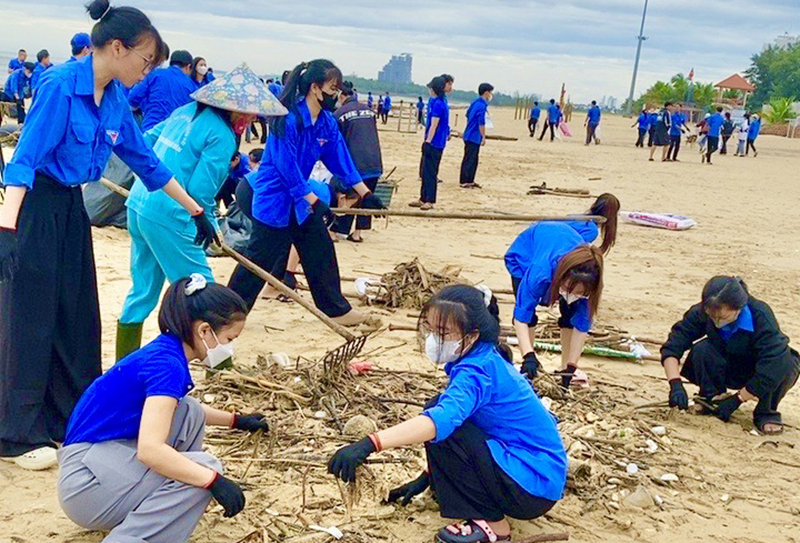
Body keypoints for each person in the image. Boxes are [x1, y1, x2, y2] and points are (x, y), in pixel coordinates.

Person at [0, 0, 219, 471]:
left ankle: (68, 419)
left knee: (77, 314)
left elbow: (147, 162)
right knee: (30, 317)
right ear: (117, 47)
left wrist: (197, 210)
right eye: (144, 60)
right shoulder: (60, 86)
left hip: (72, 210)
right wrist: (7, 227)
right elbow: (23, 159)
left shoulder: (115, 97)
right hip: (35, 207)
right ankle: (15, 434)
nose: (146, 72)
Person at [327, 285, 567, 543]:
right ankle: (464, 497)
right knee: (440, 409)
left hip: (532, 484)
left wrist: (370, 444)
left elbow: (440, 422)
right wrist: (428, 477)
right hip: (534, 474)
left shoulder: (478, 371)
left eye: (443, 333)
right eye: (430, 329)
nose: (434, 339)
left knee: (446, 426)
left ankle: (494, 527)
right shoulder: (486, 357)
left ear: (472, 336)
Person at [59, 276, 268, 543]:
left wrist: (237, 421)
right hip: (87, 484)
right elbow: (150, 450)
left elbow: (177, 410)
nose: (229, 347)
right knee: (203, 469)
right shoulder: (167, 367)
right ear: (205, 331)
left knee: (188, 412)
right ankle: (132, 537)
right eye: (229, 338)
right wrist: (212, 481)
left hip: (93, 466)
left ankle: (152, 506)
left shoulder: (165, 351)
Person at [117, 65, 277, 359]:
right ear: (234, 109)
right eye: (250, 112)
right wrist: (212, 228)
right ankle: (221, 367)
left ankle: (122, 361)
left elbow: (145, 142)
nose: (253, 118)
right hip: (171, 214)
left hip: (139, 205)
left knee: (143, 290)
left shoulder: (183, 111)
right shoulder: (222, 135)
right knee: (204, 290)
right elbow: (201, 191)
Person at [227, 59, 385, 325]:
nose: (336, 94)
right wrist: (312, 198)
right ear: (315, 88)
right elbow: (285, 165)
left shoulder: (325, 122)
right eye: (332, 88)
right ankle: (227, 315)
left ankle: (337, 310)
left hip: (299, 202)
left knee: (320, 248)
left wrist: (364, 192)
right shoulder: (287, 120)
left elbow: (340, 158)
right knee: (259, 260)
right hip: (269, 198)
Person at [661, 277, 799, 435]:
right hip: (727, 366)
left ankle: (766, 412)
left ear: (739, 308)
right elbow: (674, 345)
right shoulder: (701, 313)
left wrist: (738, 399)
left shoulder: (760, 316)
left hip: (757, 372)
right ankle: (711, 398)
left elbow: (774, 360)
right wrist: (675, 384)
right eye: (713, 318)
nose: (718, 322)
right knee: (703, 348)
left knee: (786, 362)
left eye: (723, 317)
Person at [505, 222, 604, 388]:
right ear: (560, 279)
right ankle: (530, 364)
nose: (572, 295)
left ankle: (563, 368)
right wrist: (529, 356)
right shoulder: (540, 272)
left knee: (569, 315)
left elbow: (581, 325)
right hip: (526, 253)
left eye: (580, 293)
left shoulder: (590, 278)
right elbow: (521, 316)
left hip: (561, 246)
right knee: (529, 316)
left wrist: (571, 366)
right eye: (567, 289)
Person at [331, 81, 383, 243]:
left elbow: (336, 142)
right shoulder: (370, 111)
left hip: (354, 163)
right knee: (366, 198)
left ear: (341, 96)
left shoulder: (339, 114)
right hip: (374, 161)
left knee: (345, 195)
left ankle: (335, 230)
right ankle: (357, 233)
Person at [128, 49, 196, 131]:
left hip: (151, 128)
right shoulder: (192, 86)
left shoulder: (155, 74)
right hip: (173, 134)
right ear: (188, 67)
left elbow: (133, 97)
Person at [410, 76, 449, 210]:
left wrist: (428, 141)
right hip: (432, 141)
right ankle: (423, 198)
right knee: (425, 171)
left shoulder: (439, 104)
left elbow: (434, 125)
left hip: (435, 143)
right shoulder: (435, 101)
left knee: (431, 172)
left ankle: (430, 200)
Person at [459, 82, 492, 190]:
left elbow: (467, 114)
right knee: (471, 159)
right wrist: (483, 136)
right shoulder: (481, 105)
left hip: (468, 133)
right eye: (490, 93)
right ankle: (466, 181)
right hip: (474, 136)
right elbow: (481, 122)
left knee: (470, 158)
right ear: (486, 93)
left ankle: (469, 180)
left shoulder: (474, 103)